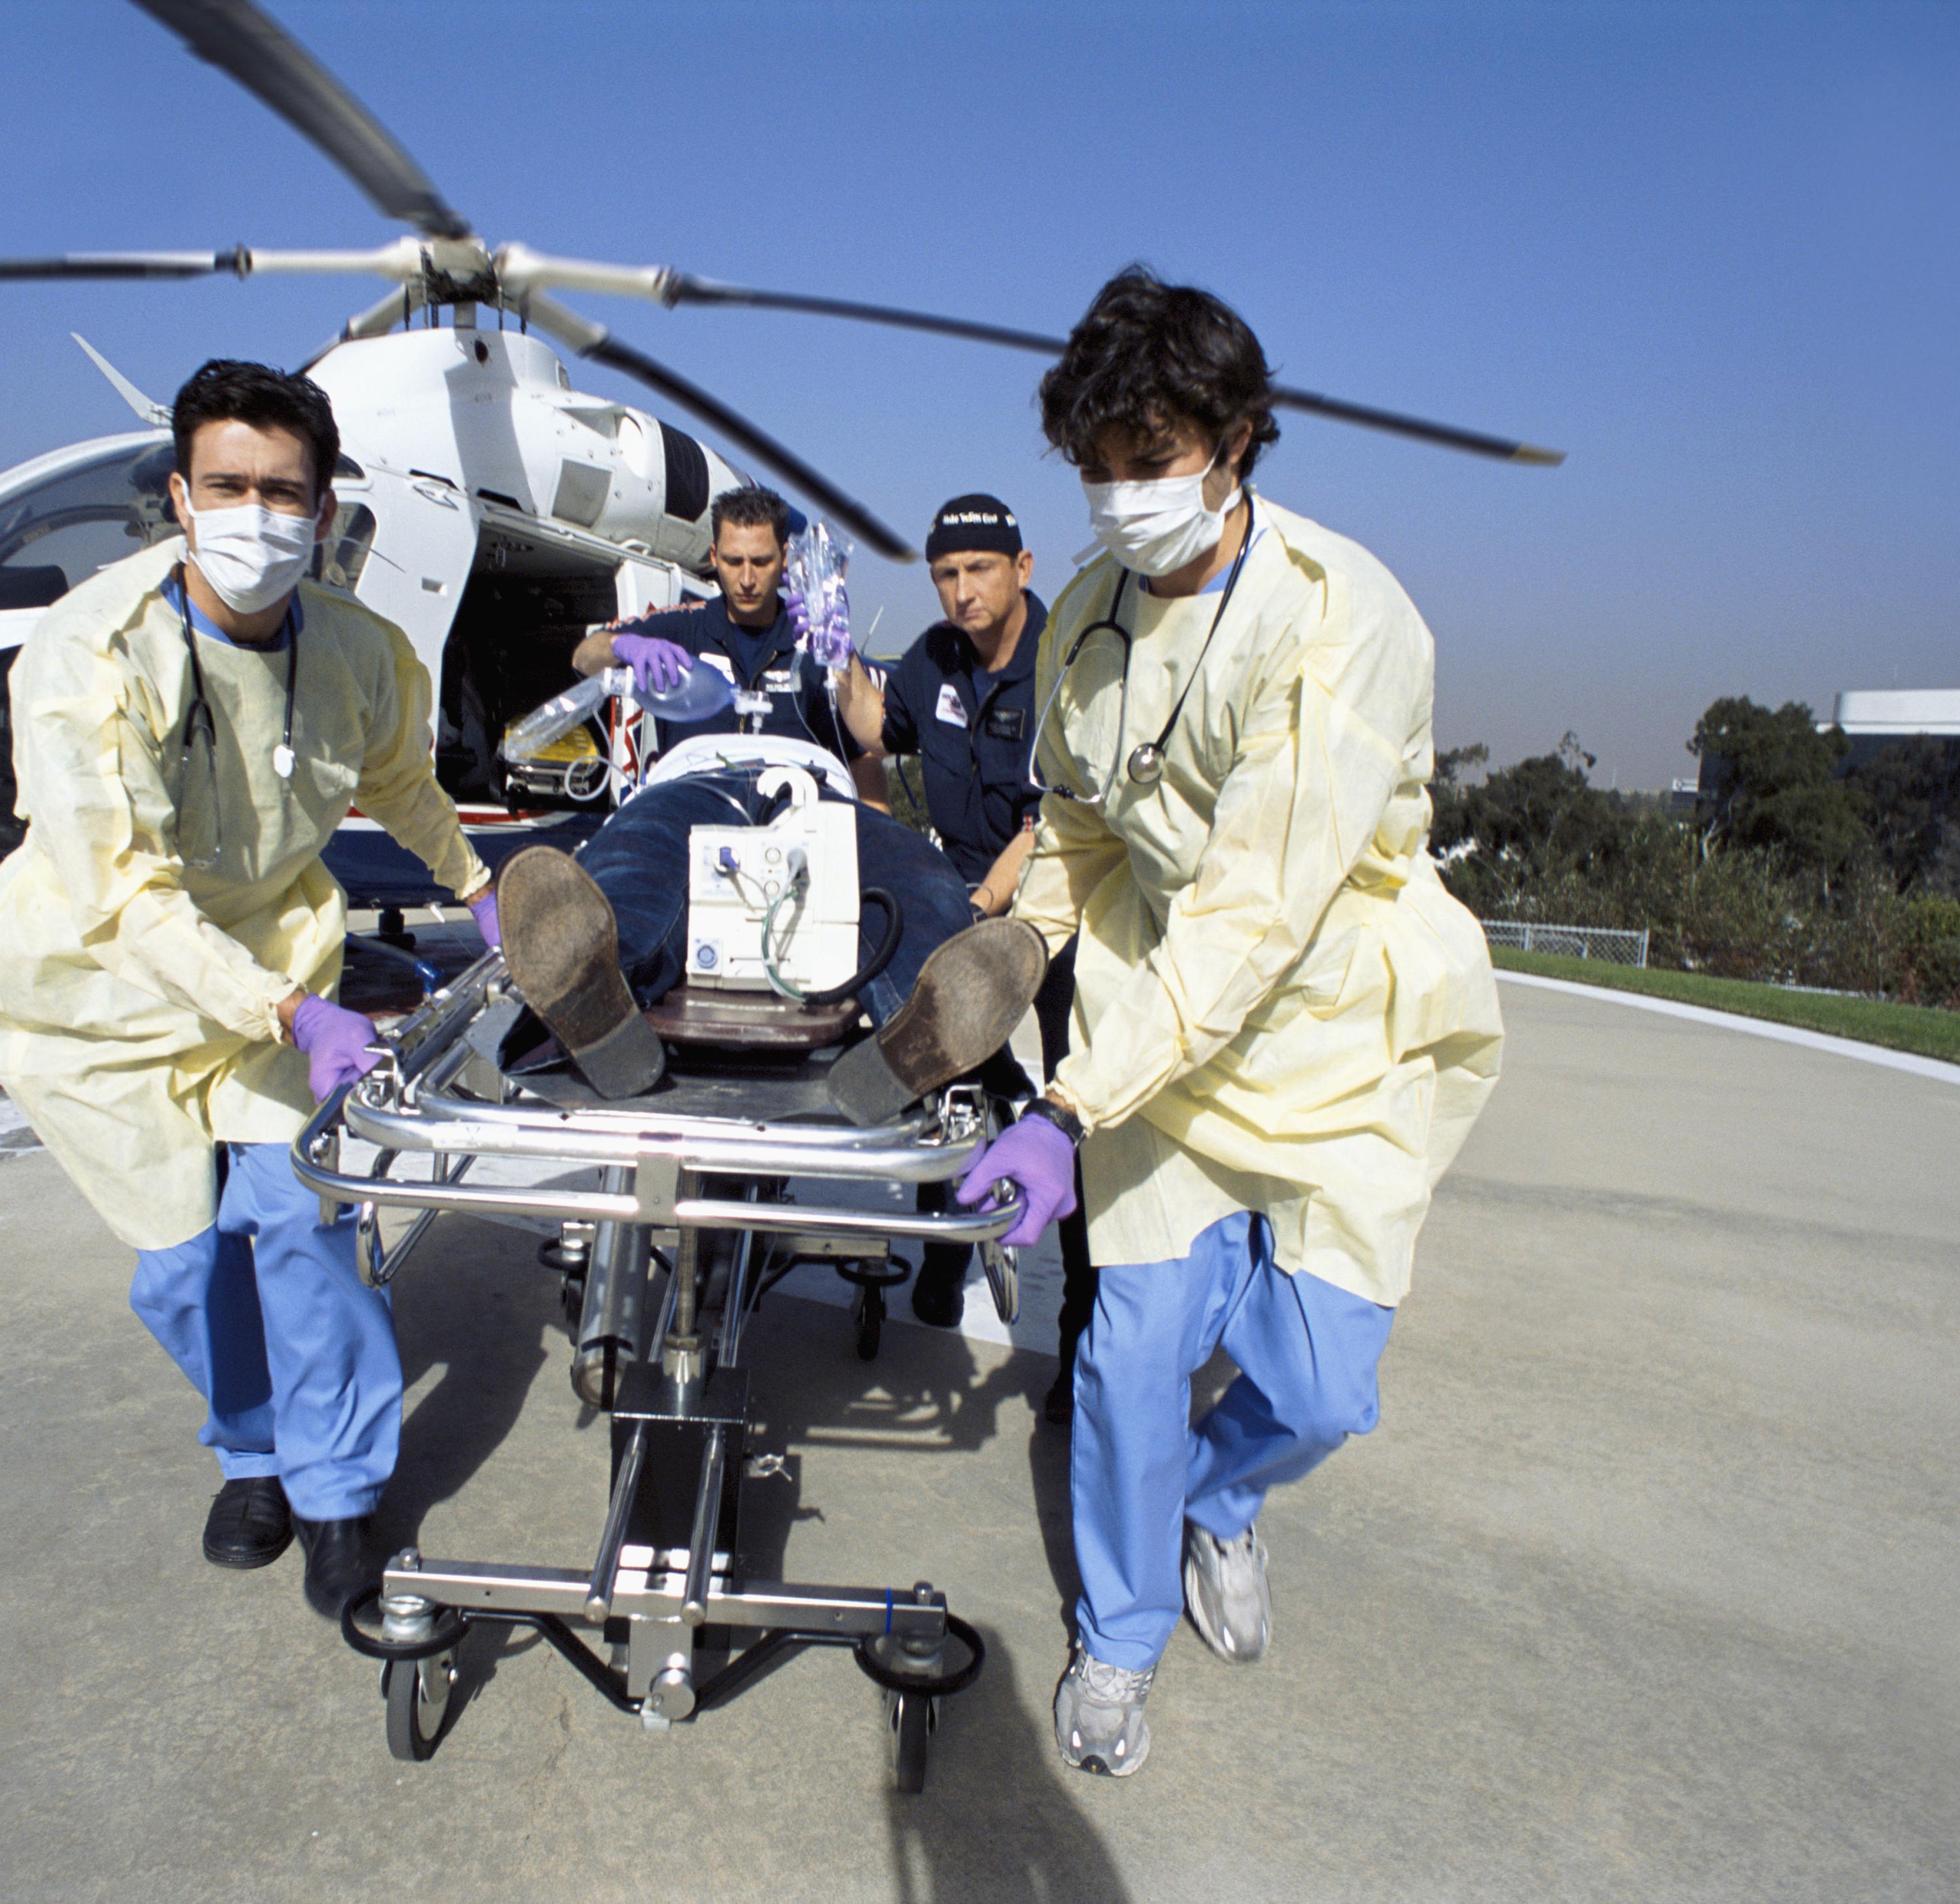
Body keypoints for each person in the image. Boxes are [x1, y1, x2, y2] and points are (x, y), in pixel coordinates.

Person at [952, 270, 1505, 1777]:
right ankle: (1119, 1635)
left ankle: (1218, 1496)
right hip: (1153, 1027)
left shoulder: (1341, 622)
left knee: (1325, 1386)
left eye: (1150, 458)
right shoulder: (1081, 612)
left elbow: (1256, 911)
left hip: (1331, 1029)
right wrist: (1015, 945)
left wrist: (1066, 1109)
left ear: (1236, 438)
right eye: (1097, 468)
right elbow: (1077, 822)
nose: (1122, 496)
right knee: (1130, 1350)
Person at [0, 359, 500, 1626]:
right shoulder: (93, 653)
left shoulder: (359, 651)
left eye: (285, 491)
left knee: (301, 1233)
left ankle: (332, 1491)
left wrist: (481, 885)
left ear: (325, 513)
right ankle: (253, 1449)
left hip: (270, 968)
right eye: (230, 486)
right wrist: (295, 1016)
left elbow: (403, 784)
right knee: (183, 1272)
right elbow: (123, 892)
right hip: (91, 993)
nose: (257, 513)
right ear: (181, 496)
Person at [499, 486, 1045, 1124]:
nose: (748, 577)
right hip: (697, 783)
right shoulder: (680, 625)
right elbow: (584, 654)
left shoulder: (814, 631)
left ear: (784, 558)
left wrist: (843, 678)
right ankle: (596, 989)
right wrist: (624, 649)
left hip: (810, 789)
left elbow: (868, 743)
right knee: (638, 852)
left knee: (909, 878)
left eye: (761, 562)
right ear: (714, 558)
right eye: (733, 562)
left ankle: (929, 1026)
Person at [837, 496, 1095, 1374]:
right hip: (964, 896)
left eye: (979, 569)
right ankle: (944, 1248)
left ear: (1021, 570)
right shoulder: (934, 656)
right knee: (935, 1074)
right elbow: (878, 733)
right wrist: (848, 687)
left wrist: (983, 905)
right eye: (945, 574)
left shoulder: (1069, 659)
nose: (961, 591)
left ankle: (1077, 1341)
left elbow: (1054, 814)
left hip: (1061, 894)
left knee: (1076, 1107)